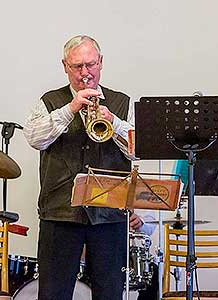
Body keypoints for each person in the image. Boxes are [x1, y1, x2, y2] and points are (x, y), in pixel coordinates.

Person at [24, 34, 144, 300]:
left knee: (110, 292)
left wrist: (114, 122)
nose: (85, 73)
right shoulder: (49, 101)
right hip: (60, 214)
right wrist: (71, 108)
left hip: (110, 215)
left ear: (100, 63)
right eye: (77, 66)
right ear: (65, 66)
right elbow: (34, 138)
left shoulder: (123, 102)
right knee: (54, 293)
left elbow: (139, 151)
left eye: (90, 64)